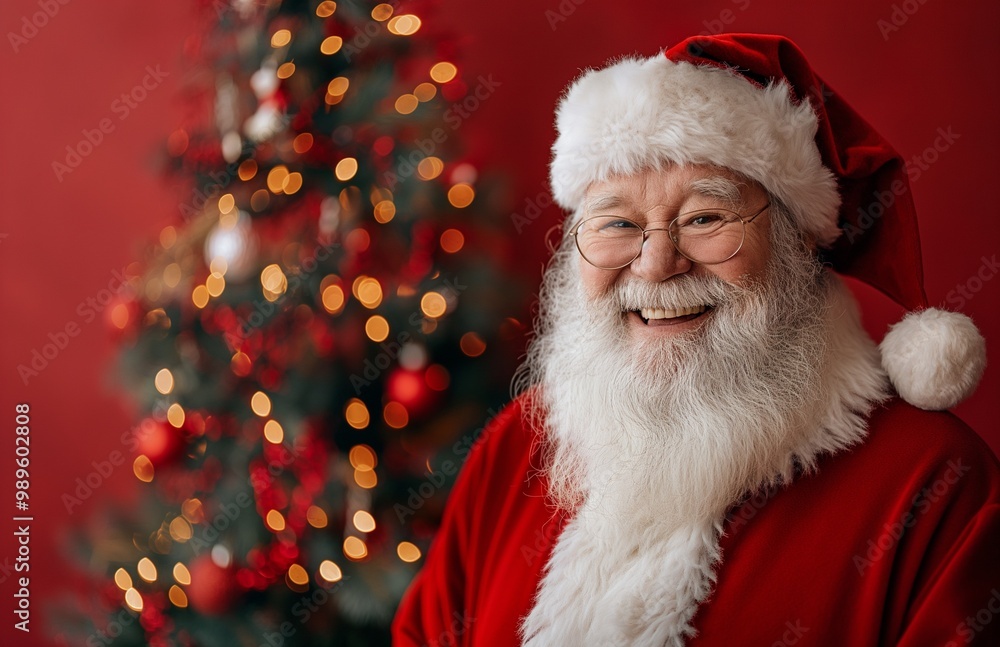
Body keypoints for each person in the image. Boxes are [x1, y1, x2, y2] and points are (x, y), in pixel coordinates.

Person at [392, 33, 999, 647]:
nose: (656, 264)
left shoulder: (938, 486)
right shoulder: (518, 447)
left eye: (705, 218)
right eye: (617, 223)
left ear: (798, 242)